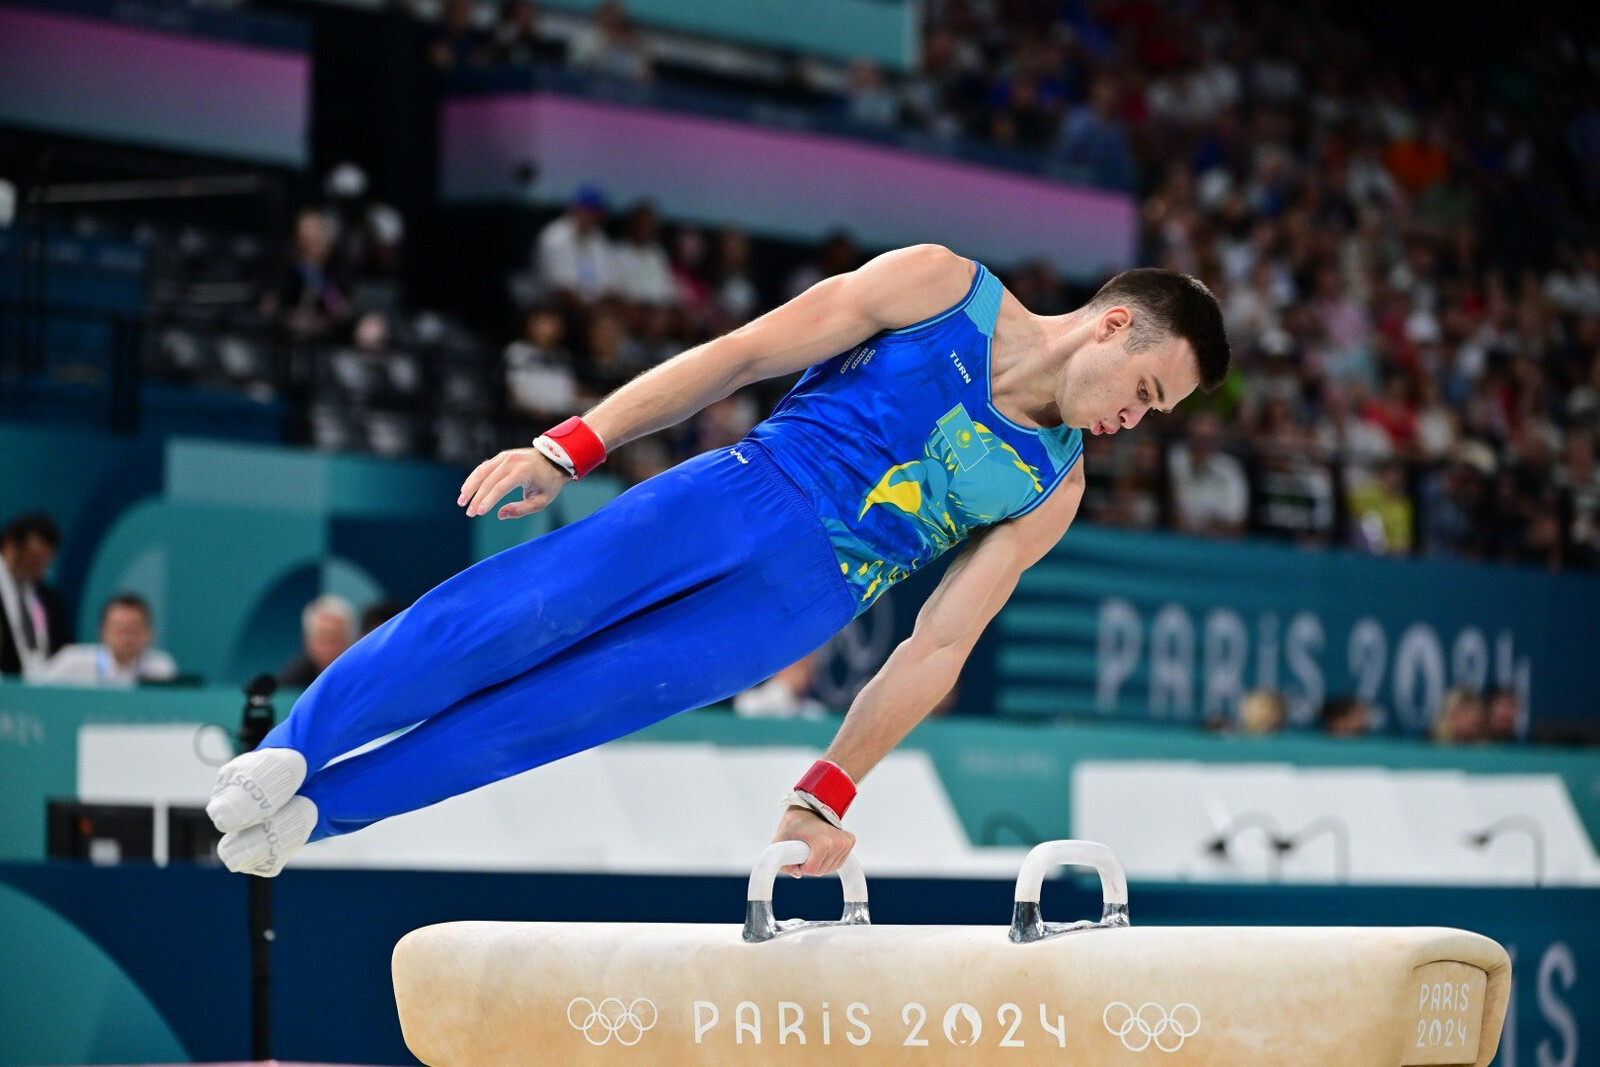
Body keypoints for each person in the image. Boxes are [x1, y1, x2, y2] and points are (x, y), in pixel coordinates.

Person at [205, 245, 1230, 877]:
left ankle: (322, 811)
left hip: (798, 606)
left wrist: (826, 791)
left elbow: (937, 645)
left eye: (1155, 414)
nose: (1134, 421)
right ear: (1111, 325)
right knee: (518, 613)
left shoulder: (1052, 486)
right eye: (1145, 390)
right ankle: (302, 741)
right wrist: (571, 445)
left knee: (556, 715)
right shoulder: (942, 287)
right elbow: (739, 353)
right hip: (738, 492)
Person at [37, 594, 177, 687]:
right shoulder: (71, 661)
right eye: (119, 629)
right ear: (102, 631)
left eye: (134, 629)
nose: (126, 637)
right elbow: (38, 693)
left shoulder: (161, 668)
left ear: (149, 633)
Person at [0, 513, 71, 679]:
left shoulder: (49, 598)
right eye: (33, 558)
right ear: (10, 545)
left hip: (43, 689)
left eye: (45, 561)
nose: (39, 568)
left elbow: (63, 650)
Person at [277, 595, 356, 688]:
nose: (329, 649)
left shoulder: (360, 674)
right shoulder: (292, 680)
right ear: (308, 641)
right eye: (323, 640)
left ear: (350, 640)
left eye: (335, 639)